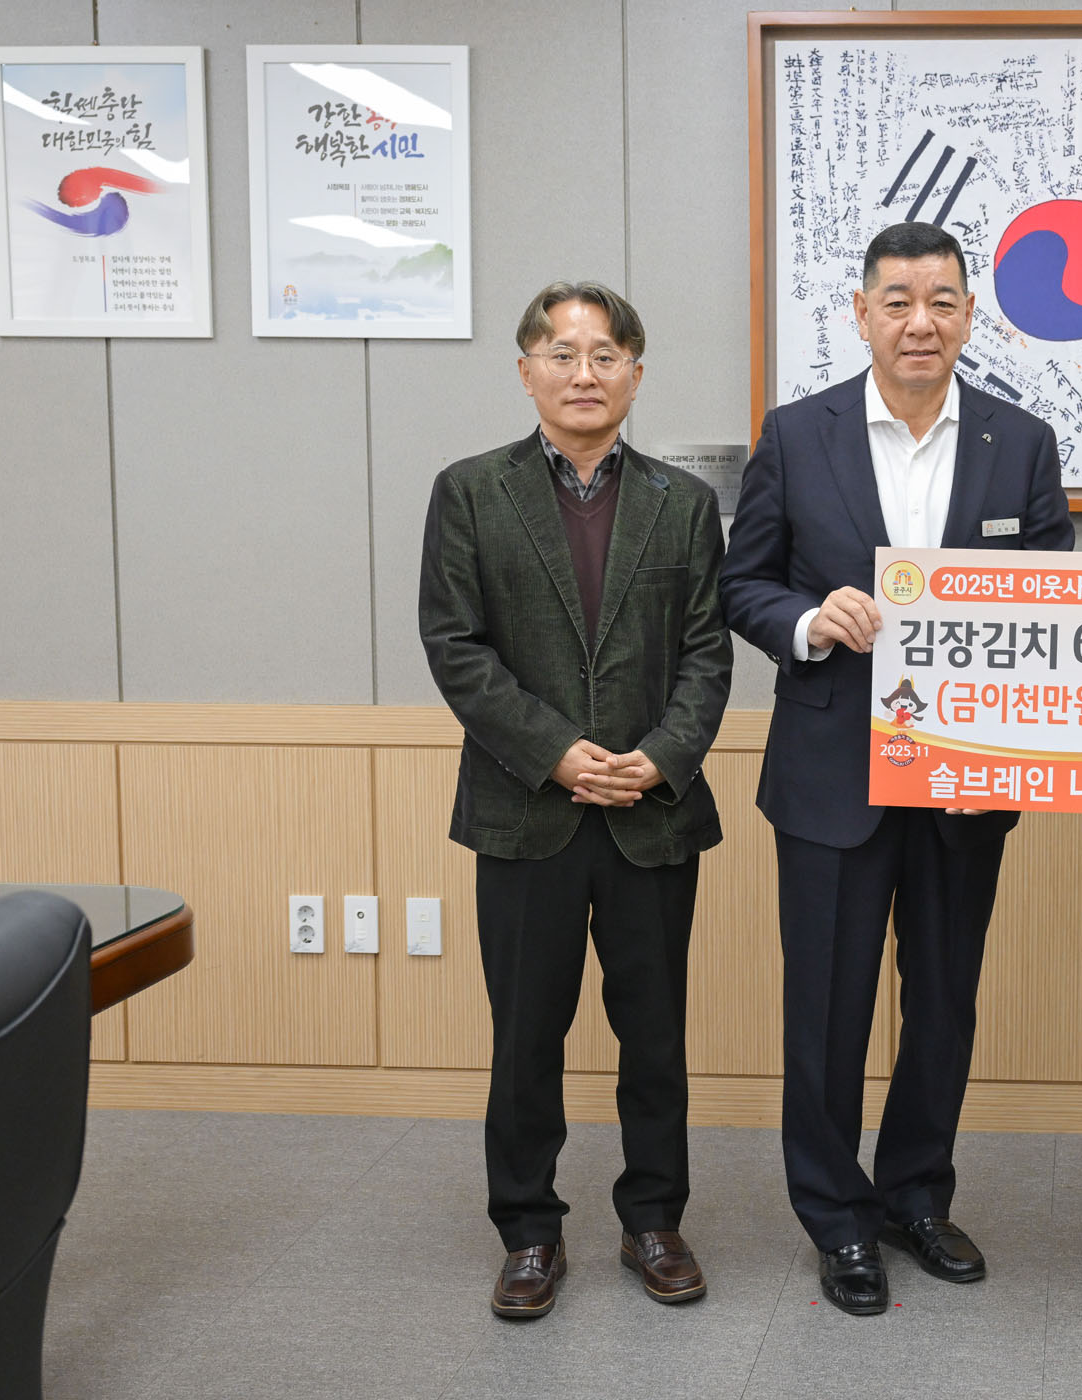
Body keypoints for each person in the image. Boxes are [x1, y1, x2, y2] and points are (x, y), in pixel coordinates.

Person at [720, 222, 1075, 1315]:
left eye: (942, 301)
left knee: (944, 1001)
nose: (921, 321)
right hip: (832, 772)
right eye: (899, 301)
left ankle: (917, 1194)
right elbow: (744, 583)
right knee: (827, 1008)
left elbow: (1052, 595)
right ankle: (837, 1217)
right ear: (862, 313)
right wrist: (809, 620)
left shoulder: (1020, 441)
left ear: (970, 315)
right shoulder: (797, 434)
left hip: (966, 775)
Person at [420, 281, 732, 1319]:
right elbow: (455, 647)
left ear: (636, 374)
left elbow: (707, 653)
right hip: (526, 812)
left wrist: (661, 755)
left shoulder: (683, 503)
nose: (584, 373)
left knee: (656, 1035)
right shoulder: (470, 491)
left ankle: (655, 1219)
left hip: (651, 812)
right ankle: (528, 1230)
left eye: (606, 355)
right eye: (562, 353)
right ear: (527, 372)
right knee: (525, 1037)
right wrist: (554, 752)